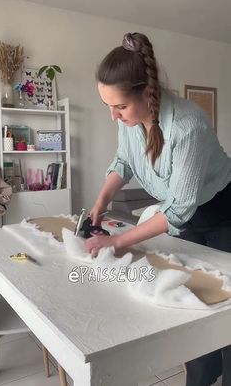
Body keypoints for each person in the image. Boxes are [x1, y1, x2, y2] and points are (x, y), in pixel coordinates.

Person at [84, 32, 231, 386]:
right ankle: (199, 378)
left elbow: (179, 208)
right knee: (193, 303)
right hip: (190, 218)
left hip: (224, 215)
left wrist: (118, 242)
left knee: (225, 310)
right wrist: (100, 202)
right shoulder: (131, 124)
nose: (113, 116)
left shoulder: (187, 125)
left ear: (146, 93)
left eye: (119, 106)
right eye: (108, 106)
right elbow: (124, 162)